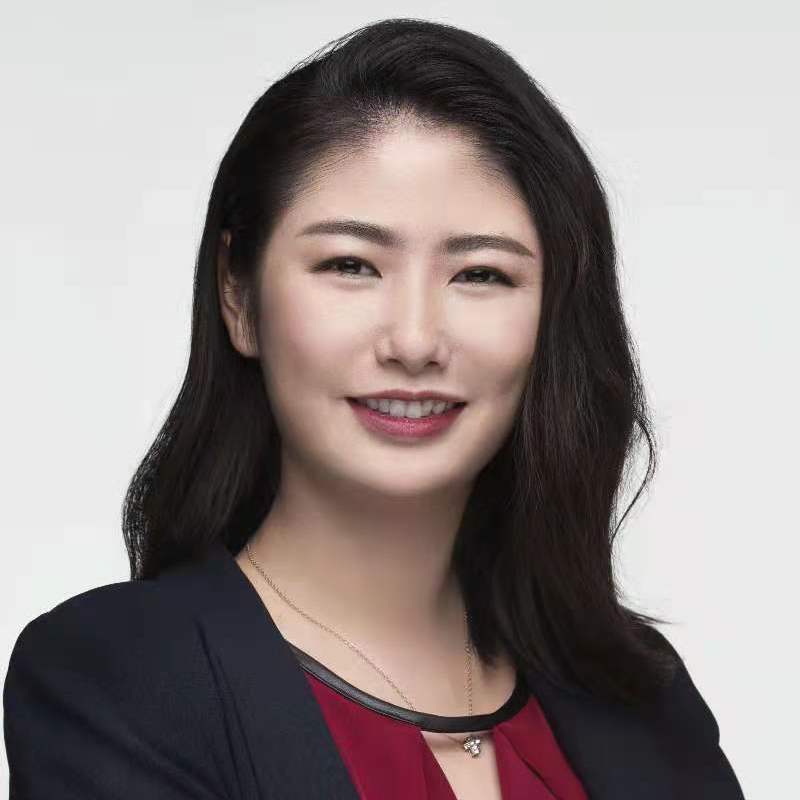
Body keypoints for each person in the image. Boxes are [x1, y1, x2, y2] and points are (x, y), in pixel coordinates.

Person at [3, 17, 745, 800]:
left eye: (481, 275)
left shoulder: (642, 696)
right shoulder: (120, 679)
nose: (415, 340)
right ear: (238, 294)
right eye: (351, 265)